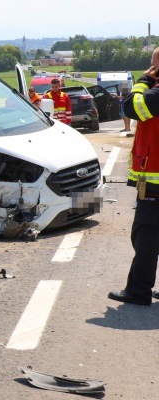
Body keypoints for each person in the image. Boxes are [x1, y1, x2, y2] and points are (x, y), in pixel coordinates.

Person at [108, 47, 159, 306]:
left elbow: (131, 108)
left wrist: (142, 82)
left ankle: (138, 291)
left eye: (152, 65)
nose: (149, 70)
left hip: (155, 183)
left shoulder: (154, 93)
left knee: (147, 235)